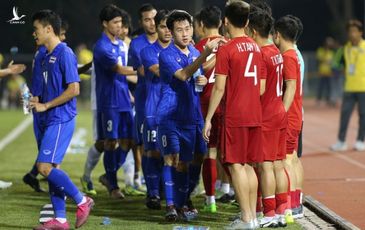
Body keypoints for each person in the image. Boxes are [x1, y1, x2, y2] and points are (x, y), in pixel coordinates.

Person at [30, 10, 93, 230]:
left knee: (44, 167)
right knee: (52, 169)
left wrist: (46, 105)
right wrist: (34, 101)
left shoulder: (65, 53)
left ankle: (82, 200)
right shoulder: (41, 55)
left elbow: (74, 89)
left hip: (60, 117)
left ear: (48, 29)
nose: (33, 34)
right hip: (43, 119)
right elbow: (38, 88)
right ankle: (61, 220)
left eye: (36, 29)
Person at [157, 9, 223, 221]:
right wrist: (206, 55)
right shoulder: (166, 54)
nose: (185, 33)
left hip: (192, 116)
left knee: (195, 158)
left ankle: (183, 199)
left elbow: (196, 77)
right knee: (173, 158)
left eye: (187, 28)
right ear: (171, 32)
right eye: (179, 30)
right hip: (170, 116)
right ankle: (170, 205)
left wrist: (202, 81)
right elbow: (184, 74)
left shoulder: (194, 52)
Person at [203, 1, 264, 228]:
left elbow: (219, 87)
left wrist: (208, 119)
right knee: (248, 166)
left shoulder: (227, 49)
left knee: (236, 166)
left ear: (225, 21)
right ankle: (252, 217)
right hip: (254, 113)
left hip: (235, 115)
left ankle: (247, 218)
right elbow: (260, 87)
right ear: (247, 22)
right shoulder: (256, 47)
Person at [247, 7, 289, 228]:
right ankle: (282, 211)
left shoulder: (262, 54)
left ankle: (270, 213)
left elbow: (260, 89)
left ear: (253, 31)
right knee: (278, 165)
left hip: (266, 115)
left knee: (265, 167)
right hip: (279, 112)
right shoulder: (275, 50)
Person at [23, 20, 73, 193]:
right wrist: (40, 101)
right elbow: (42, 84)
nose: (64, 38)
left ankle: (59, 214)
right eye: (63, 34)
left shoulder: (57, 53)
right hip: (46, 113)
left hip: (49, 112)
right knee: (49, 164)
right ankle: (80, 199)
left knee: (48, 163)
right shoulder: (43, 54)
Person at [140, 9, 172, 210]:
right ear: (156, 27)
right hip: (154, 109)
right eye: (163, 26)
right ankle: (152, 193)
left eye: (171, 27)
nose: (168, 31)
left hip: (176, 110)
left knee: (172, 155)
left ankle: (166, 192)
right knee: (152, 152)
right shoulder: (148, 51)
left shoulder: (183, 49)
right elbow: (162, 72)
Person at [273, 15, 303, 224]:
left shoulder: (289, 56)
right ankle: (295, 204)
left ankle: (290, 207)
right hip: (295, 115)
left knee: (286, 161)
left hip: (290, 117)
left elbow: (291, 85)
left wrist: (281, 112)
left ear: (278, 34)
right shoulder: (292, 54)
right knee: (291, 159)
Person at [194, 5, 223, 213]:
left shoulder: (200, 47)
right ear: (221, 23)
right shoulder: (231, 44)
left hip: (206, 105)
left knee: (209, 154)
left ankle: (210, 198)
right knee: (233, 156)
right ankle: (233, 192)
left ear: (201, 25)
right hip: (229, 105)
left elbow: (196, 71)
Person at [128, 4, 158, 191]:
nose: (152, 23)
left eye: (154, 18)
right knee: (147, 147)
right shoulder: (137, 44)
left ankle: (165, 189)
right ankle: (152, 190)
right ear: (141, 22)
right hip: (145, 102)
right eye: (147, 19)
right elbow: (142, 72)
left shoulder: (170, 41)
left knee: (167, 148)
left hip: (167, 103)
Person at [331, 19, 365, 152]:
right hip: (349, 87)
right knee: (344, 114)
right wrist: (338, 70)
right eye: (350, 31)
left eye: (354, 31)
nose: (352, 34)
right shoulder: (345, 48)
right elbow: (335, 64)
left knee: (363, 115)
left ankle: (360, 140)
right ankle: (341, 141)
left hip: (363, 88)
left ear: (360, 32)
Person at [316, 37, 335, 106]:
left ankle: (328, 100)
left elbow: (332, 63)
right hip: (322, 72)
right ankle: (318, 100)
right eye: (327, 43)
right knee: (321, 87)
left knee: (329, 87)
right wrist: (325, 59)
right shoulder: (320, 50)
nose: (328, 45)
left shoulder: (331, 52)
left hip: (329, 72)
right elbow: (319, 60)